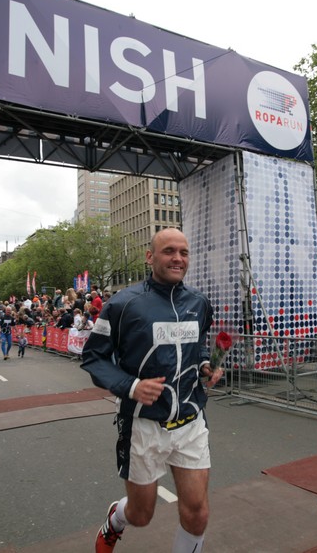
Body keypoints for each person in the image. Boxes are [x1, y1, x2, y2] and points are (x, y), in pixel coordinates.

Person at [81, 228, 223, 553]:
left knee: (198, 513)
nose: (177, 258)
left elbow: (199, 344)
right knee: (141, 515)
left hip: (190, 421)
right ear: (150, 257)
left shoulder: (199, 302)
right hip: (142, 426)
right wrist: (131, 386)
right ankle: (116, 519)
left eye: (183, 252)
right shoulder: (122, 304)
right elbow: (93, 358)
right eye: (169, 251)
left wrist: (205, 364)